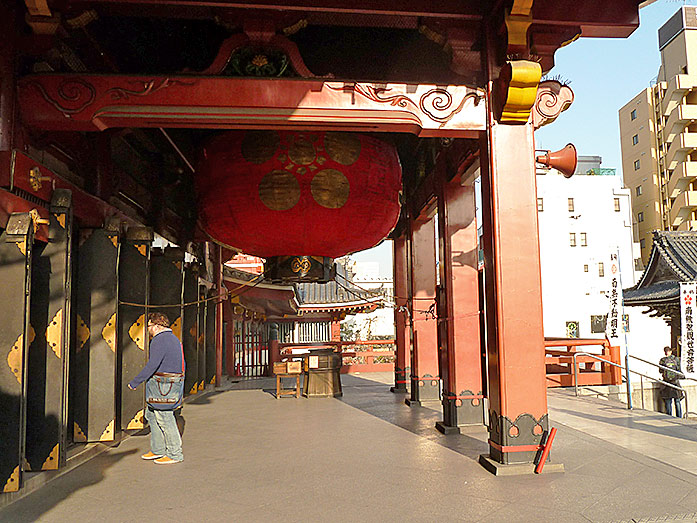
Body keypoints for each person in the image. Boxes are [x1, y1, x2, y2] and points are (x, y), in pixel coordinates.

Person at [128, 312, 185, 464]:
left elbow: (153, 364)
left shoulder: (159, 340)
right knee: (151, 415)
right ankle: (158, 449)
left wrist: (136, 381)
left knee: (165, 417)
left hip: (163, 384)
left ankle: (174, 453)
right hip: (170, 383)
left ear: (157, 326)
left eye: (149, 326)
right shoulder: (173, 338)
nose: (147, 330)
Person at [659, 346, 684, 418]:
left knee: (668, 400)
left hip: (667, 383)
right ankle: (679, 417)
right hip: (675, 382)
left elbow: (660, 371)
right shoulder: (676, 359)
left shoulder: (663, 360)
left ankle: (669, 416)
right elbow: (678, 370)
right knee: (677, 401)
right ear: (671, 351)